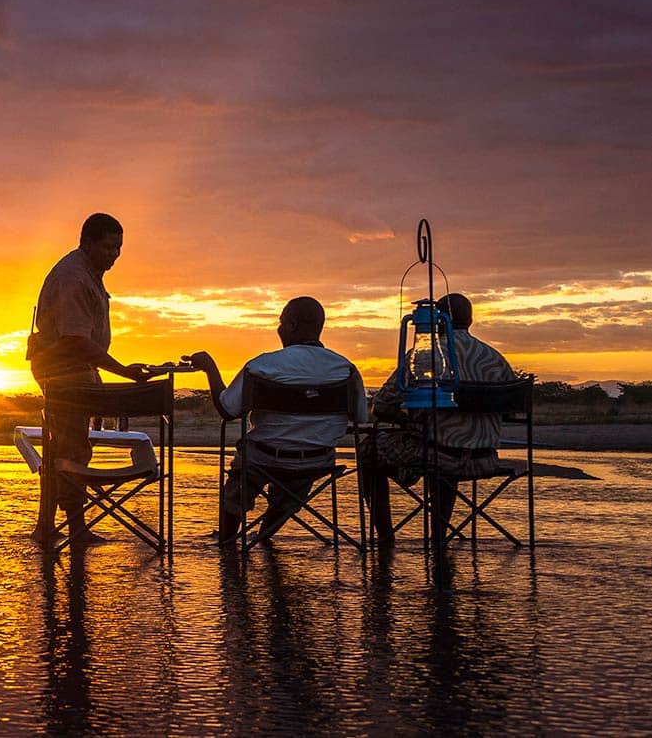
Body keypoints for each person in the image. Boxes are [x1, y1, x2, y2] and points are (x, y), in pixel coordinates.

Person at [184, 296, 367, 546]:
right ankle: (262, 536)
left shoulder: (263, 366)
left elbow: (227, 410)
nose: (278, 328)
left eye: (281, 323)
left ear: (292, 325)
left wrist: (210, 367)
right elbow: (360, 420)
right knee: (294, 484)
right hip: (315, 461)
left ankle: (227, 545)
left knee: (242, 477)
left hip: (263, 460)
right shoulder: (346, 369)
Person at [26, 212, 153, 544]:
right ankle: (71, 528)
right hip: (63, 371)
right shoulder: (74, 278)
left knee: (66, 449)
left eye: (119, 248)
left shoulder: (89, 273)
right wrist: (124, 371)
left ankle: (53, 527)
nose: (115, 255)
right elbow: (76, 342)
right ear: (87, 242)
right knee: (71, 449)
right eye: (109, 247)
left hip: (76, 369)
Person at [358, 293, 516, 546]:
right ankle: (438, 537)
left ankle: (385, 538)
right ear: (471, 320)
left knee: (369, 450)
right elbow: (510, 410)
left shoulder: (423, 357)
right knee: (442, 447)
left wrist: (407, 421)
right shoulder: (494, 358)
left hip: (437, 456)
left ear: (436, 320)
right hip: (484, 459)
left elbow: (382, 405)